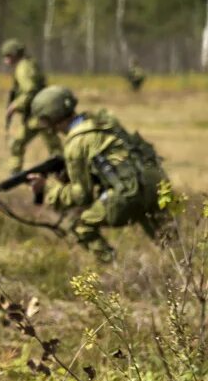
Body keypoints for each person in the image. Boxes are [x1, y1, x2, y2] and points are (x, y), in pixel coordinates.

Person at [26, 85, 172, 264]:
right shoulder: (102, 121)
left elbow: (82, 195)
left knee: (80, 225)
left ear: (50, 117)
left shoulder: (76, 144)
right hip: (155, 184)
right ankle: (188, 275)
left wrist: (48, 188)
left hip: (129, 193)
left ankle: (117, 271)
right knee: (169, 241)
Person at [1, 38, 61, 174]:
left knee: (55, 150)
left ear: (13, 55)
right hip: (36, 115)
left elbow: (31, 90)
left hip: (40, 115)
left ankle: (68, 175)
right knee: (17, 143)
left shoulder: (23, 68)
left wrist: (15, 106)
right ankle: (14, 176)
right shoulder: (27, 65)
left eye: (7, 56)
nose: (5, 60)